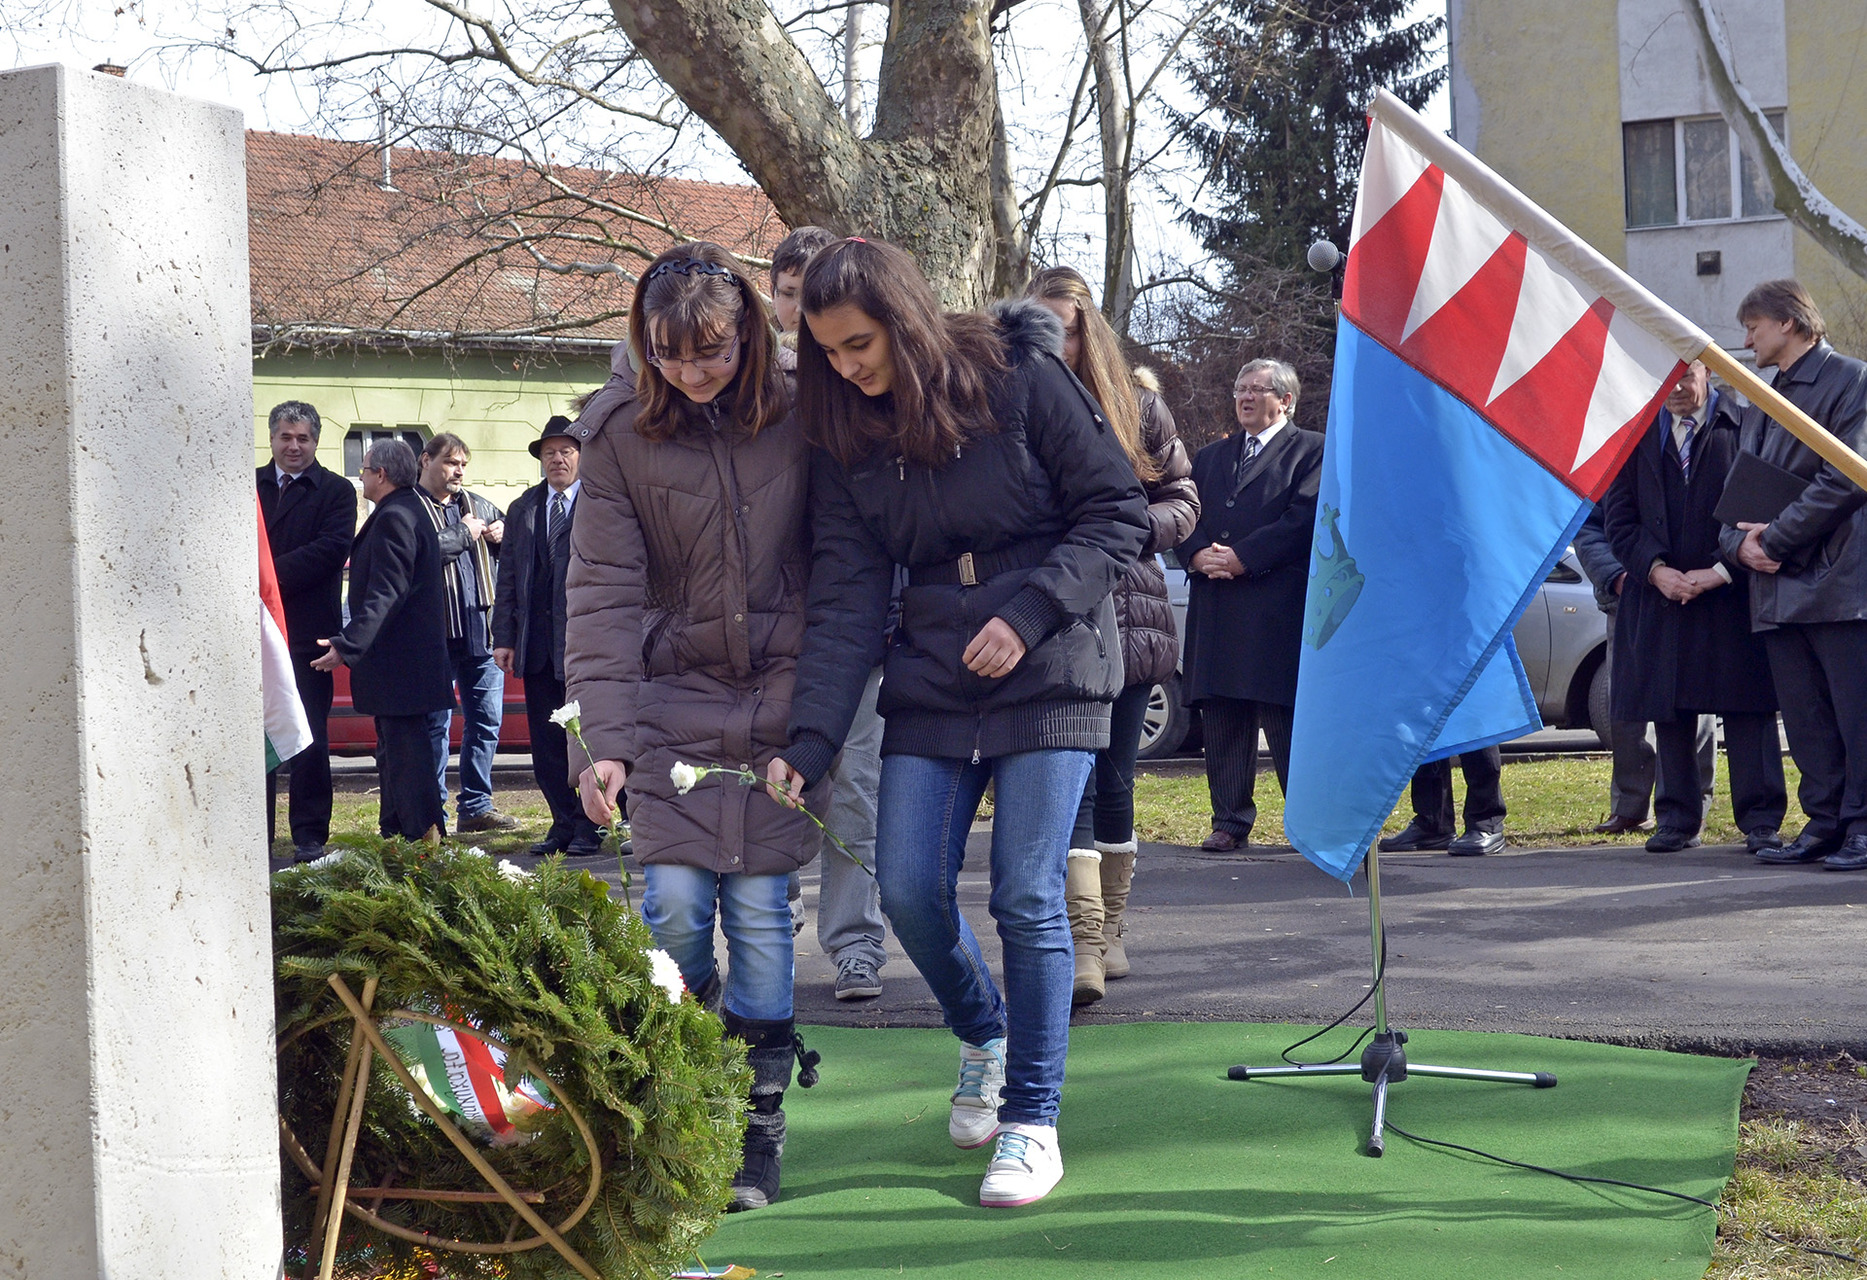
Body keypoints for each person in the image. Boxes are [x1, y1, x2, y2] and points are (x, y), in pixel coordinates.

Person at [769, 236, 1148, 1208]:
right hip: (934, 674)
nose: (846, 367)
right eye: (827, 351)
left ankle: (1031, 1120)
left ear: (903, 320)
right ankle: (985, 1034)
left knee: (1025, 892)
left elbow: (1116, 512)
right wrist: (809, 740)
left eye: (859, 344)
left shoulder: (1020, 377)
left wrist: (1027, 615)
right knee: (906, 889)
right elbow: (847, 596)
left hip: (1052, 660)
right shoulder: (844, 432)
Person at [564, 241, 821, 1211]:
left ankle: (757, 1118)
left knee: (757, 910)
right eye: (669, 354)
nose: (691, 373)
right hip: (668, 694)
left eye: (709, 351)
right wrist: (603, 744)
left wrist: (818, 719)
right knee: (672, 905)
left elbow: (839, 558)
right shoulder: (619, 432)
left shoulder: (801, 411)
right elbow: (600, 595)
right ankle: (700, 1068)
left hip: (783, 687)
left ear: (746, 331)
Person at [1025, 266, 1198, 1005]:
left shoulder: (1139, 405)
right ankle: (1082, 939)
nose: (1054, 344)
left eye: (1065, 330)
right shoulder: (1013, 400)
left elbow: (1183, 499)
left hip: (1127, 607)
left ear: (1088, 329)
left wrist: (1125, 532)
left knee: (1116, 776)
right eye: (1041, 329)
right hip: (1052, 611)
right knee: (1068, 778)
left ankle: (1108, 931)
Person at [770, 225, 890, 1001]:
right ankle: (770, 932)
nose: (799, 308)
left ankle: (853, 945)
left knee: (855, 793)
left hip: (862, 628)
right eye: (788, 294)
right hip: (778, 631)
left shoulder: (862, 389)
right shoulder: (757, 392)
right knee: (778, 787)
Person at [1603, 359, 1787, 852]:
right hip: (1662, 596)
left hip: (1732, 593)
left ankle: (1761, 821)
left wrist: (1721, 571)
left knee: (1748, 709)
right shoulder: (1635, 434)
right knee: (1670, 710)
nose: (1677, 388)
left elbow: (1763, 511)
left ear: (1708, 373)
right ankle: (1677, 819)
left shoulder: (1745, 425)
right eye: (1666, 379)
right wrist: (1655, 571)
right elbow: (1618, 519)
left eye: (1687, 376)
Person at [1717, 280, 1867, 870]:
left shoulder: (1851, 379)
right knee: (1806, 722)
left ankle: (1861, 827)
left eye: (1752, 326)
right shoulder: (1765, 395)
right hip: (1776, 590)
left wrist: (1773, 540)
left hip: (1838, 585)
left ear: (1788, 322)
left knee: (1855, 716)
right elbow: (1740, 489)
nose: (1746, 339)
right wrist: (1738, 546)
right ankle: (1824, 822)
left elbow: (1848, 476)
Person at [1180, 358, 1323, 854]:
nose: (1245, 397)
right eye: (1240, 388)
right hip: (1217, 606)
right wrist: (1196, 553)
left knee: (1285, 721)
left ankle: (1310, 825)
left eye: (1257, 390)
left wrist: (1245, 557)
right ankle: (1229, 820)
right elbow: (1185, 510)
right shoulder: (1210, 457)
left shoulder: (1312, 451)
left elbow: (1303, 519)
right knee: (1222, 716)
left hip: (1275, 609)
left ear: (1285, 400)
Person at [310, 439, 453, 841]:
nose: (361, 476)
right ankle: (396, 839)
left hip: (401, 668)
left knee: (408, 763)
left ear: (382, 475)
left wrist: (347, 644)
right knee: (394, 758)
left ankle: (423, 846)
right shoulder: (405, 509)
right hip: (402, 668)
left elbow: (387, 593)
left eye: (365, 469)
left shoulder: (396, 516)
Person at [491, 415, 607, 859]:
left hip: (583, 644)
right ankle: (562, 822)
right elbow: (508, 576)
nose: (557, 459)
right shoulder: (524, 507)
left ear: (581, 456)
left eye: (566, 451)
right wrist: (505, 637)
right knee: (546, 745)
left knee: (584, 741)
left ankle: (589, 825)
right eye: (549, 453)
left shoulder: (600, 502)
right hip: (536, 645)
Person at [1571, 508, 1715, 836]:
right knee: (1626, 704)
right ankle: (1630, 806)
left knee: (1695, 701)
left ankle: (1693, 804)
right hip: (1628, 600)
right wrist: (1617, 578)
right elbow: (1588, 527)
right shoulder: (1612, 475)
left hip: (1688, 595)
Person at [257, 400, 355, 862]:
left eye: (303, 438)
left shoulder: (336, 490)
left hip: (308, 635)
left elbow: (331, 550)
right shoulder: (248, 485)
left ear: (316, 442)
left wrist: (264, 576)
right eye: (286, 437)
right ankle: (254, 831)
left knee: (309, 736)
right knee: (255, 738)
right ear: (271, 438)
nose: (294, 446)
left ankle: (310, 834)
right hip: (254, 634)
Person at [416, 433, 514, 833]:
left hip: (480, 632)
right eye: (450, 462)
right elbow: (416, 556)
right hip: (435, 636)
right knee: (435, 727)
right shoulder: (411, 507)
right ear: (426, 460)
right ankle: (432, 815)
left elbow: (516, 551)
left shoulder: (480, 506)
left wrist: (504, 534)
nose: (458, 471)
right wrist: (464, 533)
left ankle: (475, 807)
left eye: (463, 465)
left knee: (486, 722)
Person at [769, 224, 839, 336]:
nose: (801, 309)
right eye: (789, 294)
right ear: (773, 293)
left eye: (814, 296)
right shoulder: (755, 345)